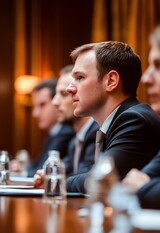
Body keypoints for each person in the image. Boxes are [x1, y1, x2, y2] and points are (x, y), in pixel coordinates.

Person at [34, 41, 160, 194]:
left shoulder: (134, 119)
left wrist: (55, 181)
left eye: (80, 77)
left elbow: (98, 178)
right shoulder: (118, 120)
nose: (70, 88)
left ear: (111, 81)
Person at [34, 65, 98, 185]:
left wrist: (54, 180)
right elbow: (65, 172)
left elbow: (88, 178)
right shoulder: (75, 139)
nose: (55, 102)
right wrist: (47, 176)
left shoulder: (97, 133)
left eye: (63, 94)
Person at [123, 26, 160, 209]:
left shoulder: (135, 117)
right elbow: (133, 181)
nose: (145, 79)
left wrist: (145, 188)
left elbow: (140, 184)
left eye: (158, 66)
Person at [26, 78, 75, 177]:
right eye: (34, 106)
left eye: (42, 105)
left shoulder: (66, 132)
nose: (35, 114)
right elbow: (38, 165)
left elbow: (40, 170)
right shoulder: (53, 133)